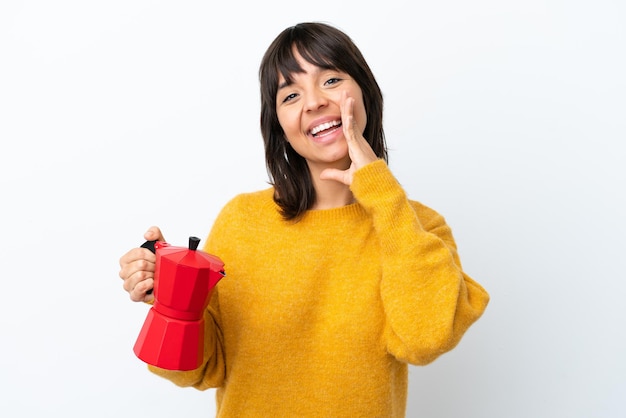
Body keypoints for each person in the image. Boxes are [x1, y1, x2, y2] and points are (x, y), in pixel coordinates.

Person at [119, 22, 489, 417]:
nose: (313, 102)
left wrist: (382, 195)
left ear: (365, 92)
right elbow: (203, 369)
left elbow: (425, 339)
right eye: (291, 94)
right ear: (279, 123)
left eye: (330, 79)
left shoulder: (415, 226)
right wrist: (173, 300)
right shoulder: (242, 222)